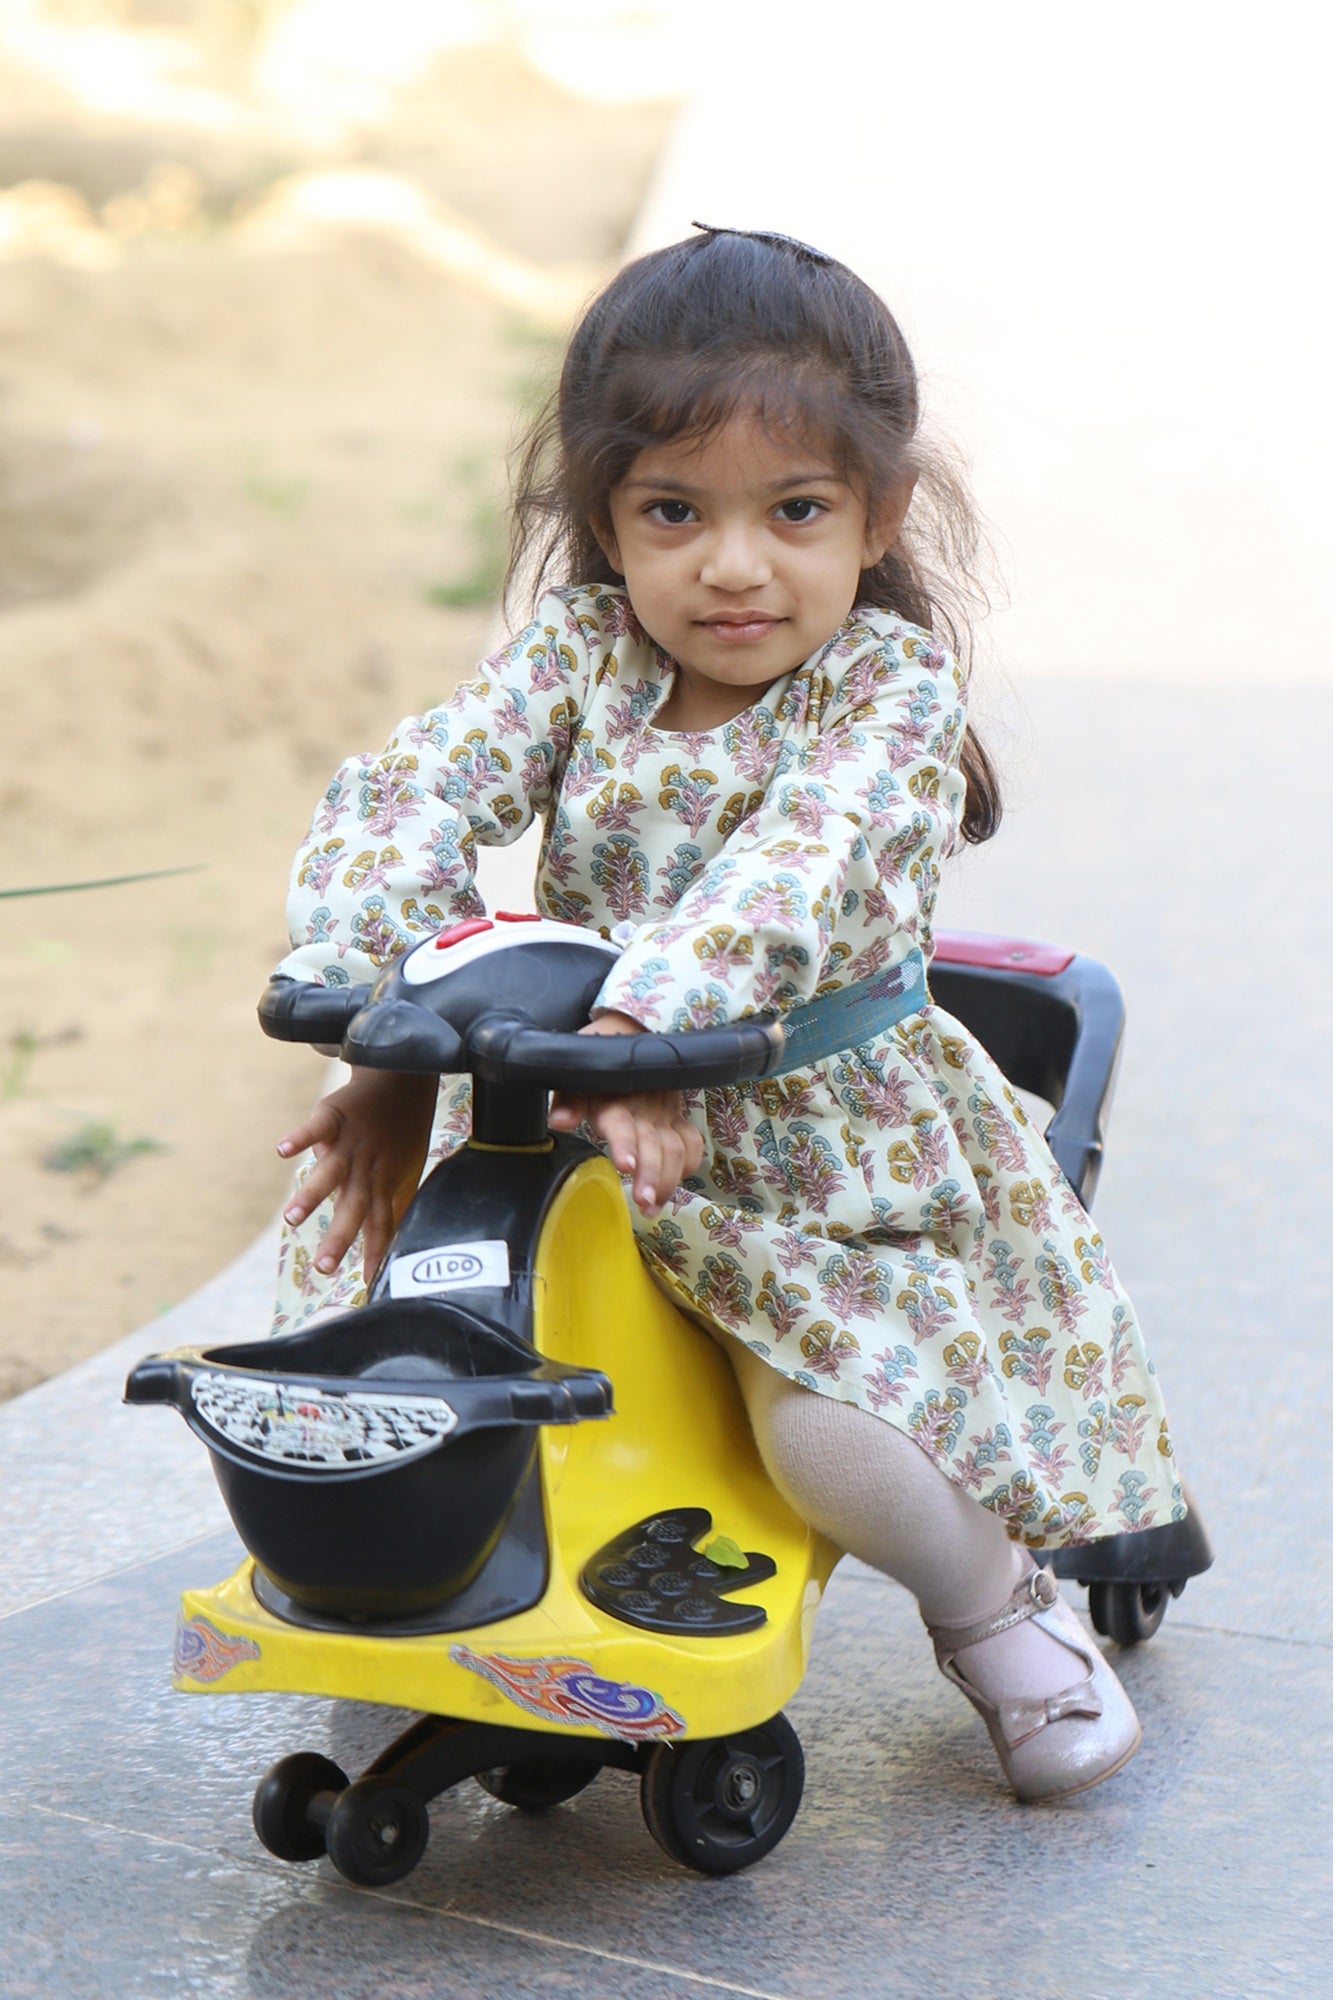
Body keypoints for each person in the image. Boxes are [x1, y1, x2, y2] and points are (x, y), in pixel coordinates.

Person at [272, 225, 1184, 1804]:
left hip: (822, 1168)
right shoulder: (582, 654)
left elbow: (792, 872)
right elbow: (420, 785)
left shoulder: (880, 696)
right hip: (562, 1115)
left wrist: (652, 1031)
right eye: (672, 512)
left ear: (876, 514)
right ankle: (425, 1588)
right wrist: (380, 1035)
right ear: (605, 521)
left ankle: (999, 1614)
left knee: (829, 1440)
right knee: (374, 1308)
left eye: (796, 511)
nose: (733, 564)